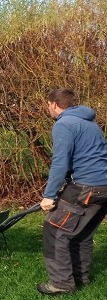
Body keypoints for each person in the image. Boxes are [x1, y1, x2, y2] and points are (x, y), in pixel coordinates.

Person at [37, 88, 107, 295]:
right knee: (82, 233)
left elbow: (60, 161)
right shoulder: (89, 123)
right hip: (103, 186)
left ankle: (61, 284)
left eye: (48, 105)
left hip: (87, 187)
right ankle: (79, 277)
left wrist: (49, 195)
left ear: (53, 104)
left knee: (55, 230)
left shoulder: (64, 124)